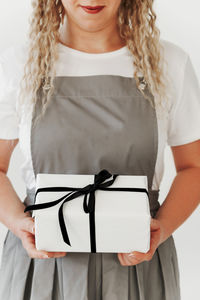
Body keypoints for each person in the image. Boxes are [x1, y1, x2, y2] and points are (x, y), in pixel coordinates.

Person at [0, 0, 200, 299]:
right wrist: (19, 224)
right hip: (43, 264)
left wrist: (163, 229)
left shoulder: (169, 63)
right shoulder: (19, 64)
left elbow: (193, 167)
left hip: (138, 261)